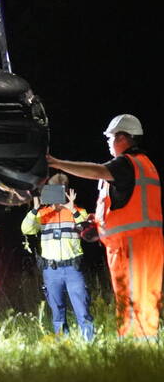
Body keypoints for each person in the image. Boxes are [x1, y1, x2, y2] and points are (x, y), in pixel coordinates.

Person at [47, 113, 163, 340]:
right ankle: (143, 347)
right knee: (143, 297)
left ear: (122, 137)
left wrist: (57, 163)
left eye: (110, 138)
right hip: (144, 242)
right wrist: (96, 222)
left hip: (131, 245)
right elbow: (127, 206)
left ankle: (133, 348)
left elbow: (95, 170)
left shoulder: (126, 163)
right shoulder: (144, 165)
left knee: (131, 297)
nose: (108, 143)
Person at [21, 173, 95, 340]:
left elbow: (85, 229)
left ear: (68, 192)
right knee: (57, 313)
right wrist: (35, 209)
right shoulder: (43, 214)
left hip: (73, 270)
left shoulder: (78, 211)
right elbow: (26, 229)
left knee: (82, 310)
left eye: (61, 192)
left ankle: (89, 345)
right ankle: (63, 347)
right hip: (51, 270)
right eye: (53, 192)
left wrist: (72, 209)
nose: (57, 197)